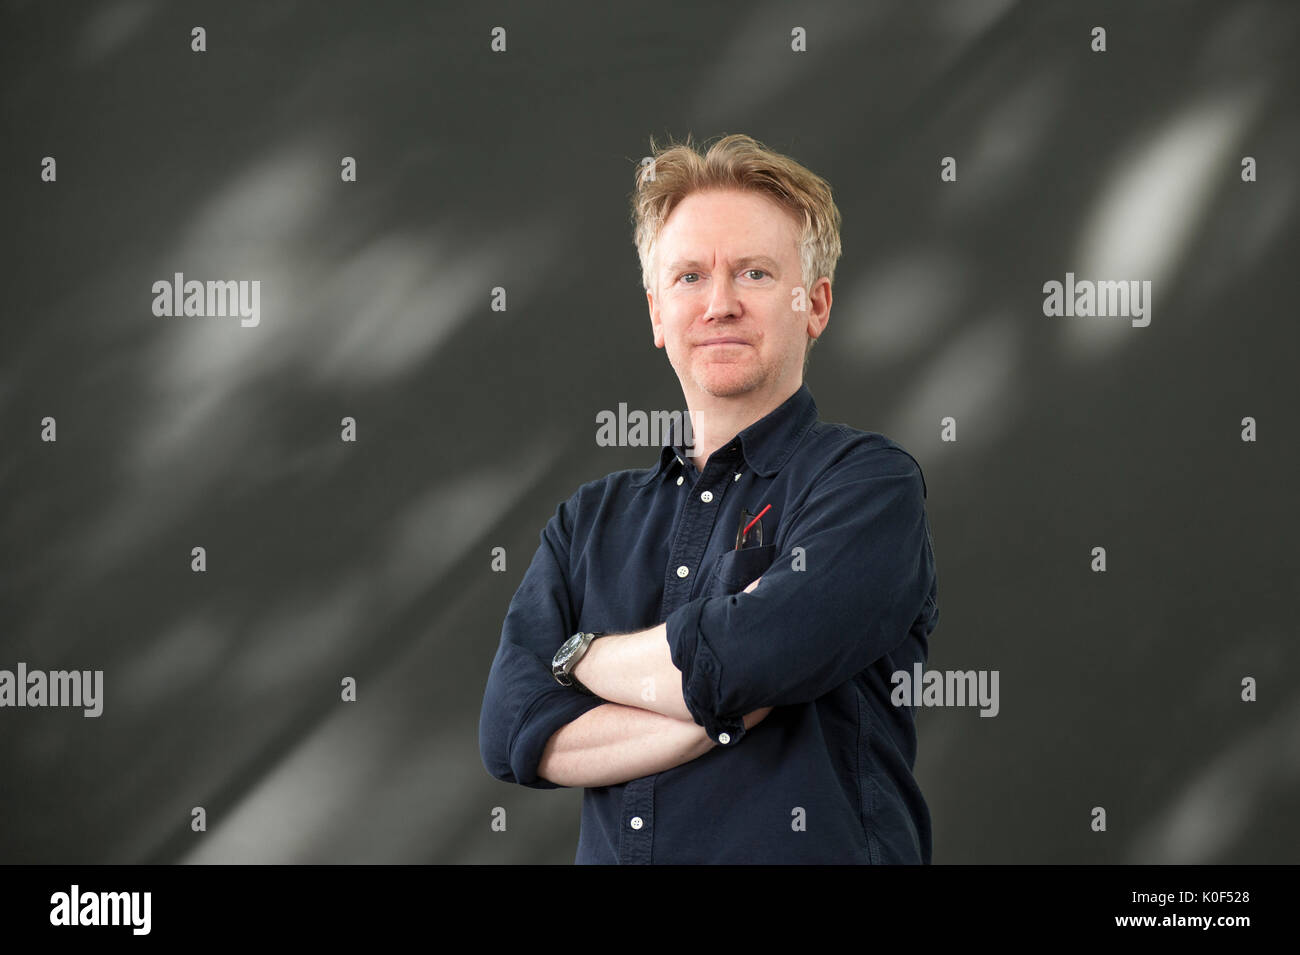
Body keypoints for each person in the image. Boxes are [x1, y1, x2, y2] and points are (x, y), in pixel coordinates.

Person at [478, 133, 939, 863]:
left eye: (754, 273)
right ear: (658, 314)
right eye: (690, 277)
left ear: (814, 304)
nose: (719, 303)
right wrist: (714, 709)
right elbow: (509, 730)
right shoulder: (587, 523)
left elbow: (755, 653)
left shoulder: (865, 485)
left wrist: (582, 656)